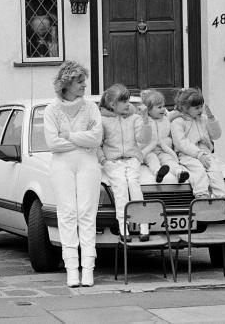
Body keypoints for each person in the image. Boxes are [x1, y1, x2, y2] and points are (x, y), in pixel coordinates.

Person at [44, 61, 102, 288]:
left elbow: (96, 139)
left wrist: (68, 135)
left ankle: (88, 269)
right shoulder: (51, 110)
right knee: (67, 214)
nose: (84, 85)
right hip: (61, 166)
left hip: (88, 164)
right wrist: (81, 139)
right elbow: (52, 143)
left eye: (84, 81)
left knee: (87, 214)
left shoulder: (91, 108)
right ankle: (71, 269)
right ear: (66, 84)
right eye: (79, 81)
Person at [170, 88, 225, 211]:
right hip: (187, 154)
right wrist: (198, 155)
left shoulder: (203, 119)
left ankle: (223, 199)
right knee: (198, 171)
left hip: (205, 152)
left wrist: (212, 119)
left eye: (201, 106)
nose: (200, 110)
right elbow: (181, 142)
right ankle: (202, 198)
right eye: (196, 108)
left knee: (215, 170)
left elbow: (216, 135)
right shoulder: (178, 122)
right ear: (185, 108)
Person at [97, 84, 151, 242]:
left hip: (132, 159)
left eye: (128, 101)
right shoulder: (103, 121)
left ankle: (143, 226)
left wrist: (145, 120)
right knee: (120, 188)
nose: (128, 104)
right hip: (113, 162)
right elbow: (97, 145)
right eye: (124, 102)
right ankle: (123, 227)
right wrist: (104, 161)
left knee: (134, 185)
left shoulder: (134, 118)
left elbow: (143, 139)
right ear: (113, 105)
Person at [139, 89, 190, 184]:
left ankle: (180, 173)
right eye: (159, 107)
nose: (163, 109)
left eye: (163, 106)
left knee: (169, 160)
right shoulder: (142, 121)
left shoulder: (166, 118)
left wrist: (183, 113)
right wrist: (145, 120)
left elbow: (175, 113)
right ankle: (158, 173)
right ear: (148, 110)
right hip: (148, 151)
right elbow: (141, 136)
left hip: (163, 149)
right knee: (152, 160)